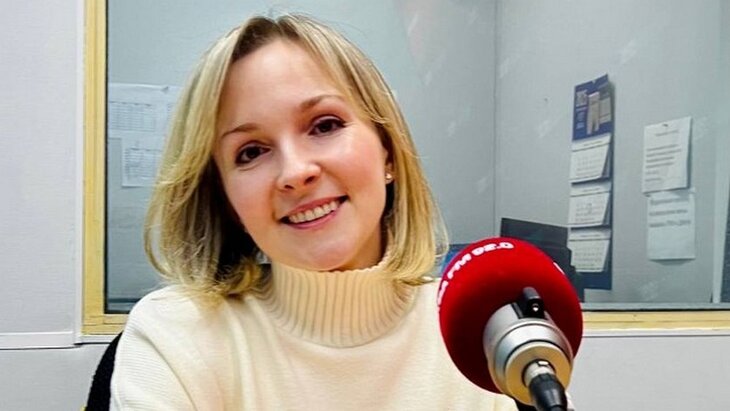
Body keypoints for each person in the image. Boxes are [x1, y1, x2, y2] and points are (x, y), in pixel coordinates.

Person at [111, 14, 519, 410]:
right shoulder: (175, 336)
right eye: (251, 152)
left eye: (324, 125)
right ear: (228, 202)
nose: (295, 172)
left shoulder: (486, 333)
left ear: (388, 153)